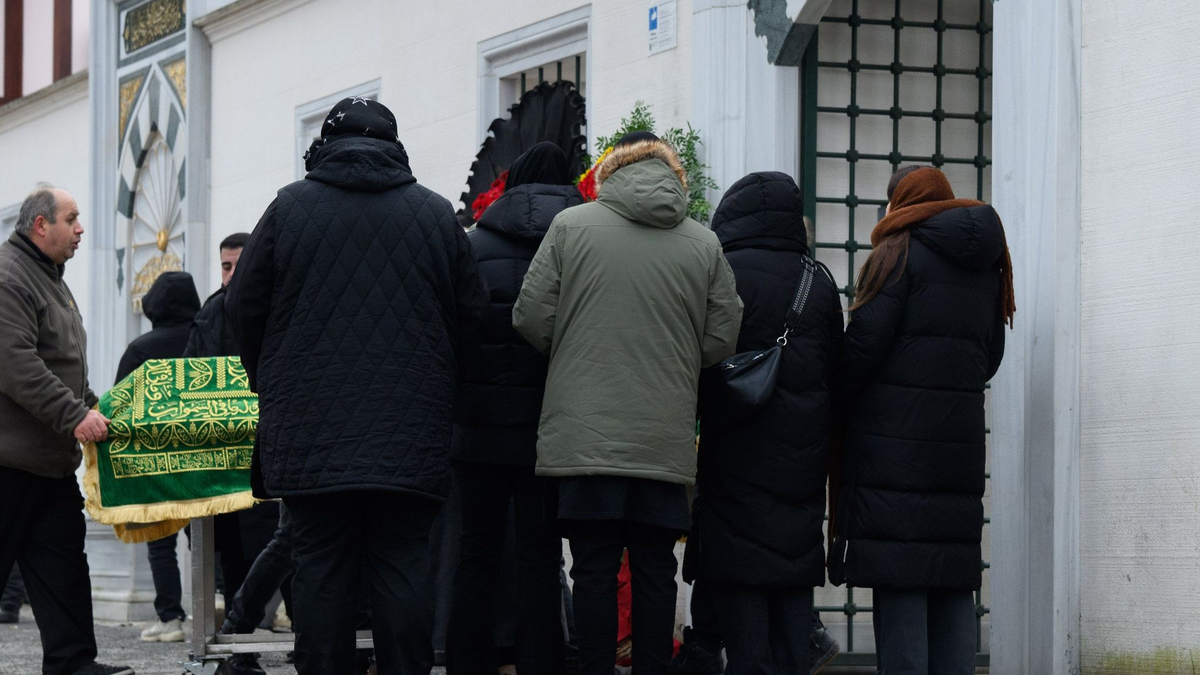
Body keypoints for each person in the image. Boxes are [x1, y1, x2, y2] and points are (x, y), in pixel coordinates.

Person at [226, 96, 488, 675]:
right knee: (403, 561)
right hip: (411, 431)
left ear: (323, 145)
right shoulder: (434, 213)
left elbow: (242, 305)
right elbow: (472, 316)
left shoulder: (288, 208)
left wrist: (271, 378)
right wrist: (441, 387)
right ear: (395, 145)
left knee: (320, 564)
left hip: (309, 430)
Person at [513, 132, 743, 675]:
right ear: (674, 178)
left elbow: (530, 316)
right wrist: (677, 357)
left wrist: (573, 347)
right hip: (662, 435)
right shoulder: (703, 243)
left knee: (592, 569)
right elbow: (723, 337)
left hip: (585, 433)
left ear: (610, 173)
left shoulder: (570, 227)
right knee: (656, 569)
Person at [829, 166, 1014, 674]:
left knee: (902, 577)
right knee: (951, 578)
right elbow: (990, 356)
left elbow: (862, 348)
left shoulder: (897, 251)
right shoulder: (988, 262)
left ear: (898, 202)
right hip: (957, 451)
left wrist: (841, 401)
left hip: (895, 452)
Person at [689, 172, 844, 674]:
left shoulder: (722, 272)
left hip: (734, 455)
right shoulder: (817, 280)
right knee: (792, 589)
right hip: (802, 463)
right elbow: (836, 369)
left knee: (741, 590)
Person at [447, 142, 584, 675]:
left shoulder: (473, 244)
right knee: (541, 554)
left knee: (475, 551)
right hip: (548, 428)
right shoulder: (582, 244)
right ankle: (541, 662)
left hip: (477, 425)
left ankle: (468, 663)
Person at [0, 185, 135, 675]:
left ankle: (73, 664)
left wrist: (100, 407)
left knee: (63, 569)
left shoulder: (50, 278)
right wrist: (75, 416)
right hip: (8, 465)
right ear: (41, 225)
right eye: (72, 219)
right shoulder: (9, 276)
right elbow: (15, 365)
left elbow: (62, 368)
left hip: (50, 466)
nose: (81, 229)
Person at [183, 231, 280, 630]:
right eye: (225, 266)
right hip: (223, 460)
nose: (232, 274)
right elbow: (191, 375)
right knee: (236, 554)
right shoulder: (210, 314)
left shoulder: (277, 305)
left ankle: (301, 638)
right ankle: (241, 647)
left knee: (282, 547)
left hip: (270, 449)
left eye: (239, 265)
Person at [110, 271, 202, 644]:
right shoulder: (208, 340)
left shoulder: (141, 350)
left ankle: (170, 618)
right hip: (205, 462)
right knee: (206, 538)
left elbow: (118, 407)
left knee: (161, 542)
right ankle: (220, 606)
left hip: (157, 462)